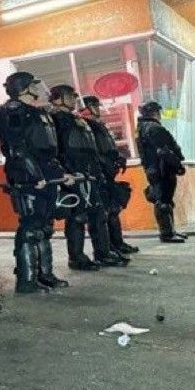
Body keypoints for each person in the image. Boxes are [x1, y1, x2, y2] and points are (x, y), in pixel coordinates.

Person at [0, 72, 73, 293]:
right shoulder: (11, 111)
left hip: (46, 174)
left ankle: (45, 274)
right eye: (33, 86)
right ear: (23, 88)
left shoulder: (38, 113)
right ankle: (27, 279)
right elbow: (17, 148)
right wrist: (35, 175)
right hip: (27, 176)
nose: (38, 89)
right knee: (30, 227)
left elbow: (48, 149)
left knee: (45, 227)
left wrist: (60, 172)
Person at [48, 85, 128, 270]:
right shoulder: (55, 120)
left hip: (90, 174)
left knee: (99, 214)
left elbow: (91, 149)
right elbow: (56, 150)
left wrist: (99, 170)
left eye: (74, 96)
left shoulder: (78, 120)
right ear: (58, 98)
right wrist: (65, 172)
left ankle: (103, 253)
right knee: (77, 217)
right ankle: (76, 258)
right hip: (74, 175)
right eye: (69, 96)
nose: (73, 99)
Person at [79, 96, 138, 255]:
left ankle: (117, 244)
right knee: (101, 214)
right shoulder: (85, 125)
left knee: (113, 209)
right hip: (98, 172)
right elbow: (92, 150)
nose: (97, 108)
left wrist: (118, 158)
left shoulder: (99, 125)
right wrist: (102, 164)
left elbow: (108, 147)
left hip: (108, 171)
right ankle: (106, 249)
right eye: (94, 105)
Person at [135, 101, 187, 243]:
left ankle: (170, 230)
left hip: (154, 168)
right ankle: (167, 233)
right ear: (155, 113)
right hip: (162, 168)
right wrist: (177, 166)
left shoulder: (142, 128)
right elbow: (164, 151)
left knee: (164, 200)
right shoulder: (153, 128)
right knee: (163, 201)